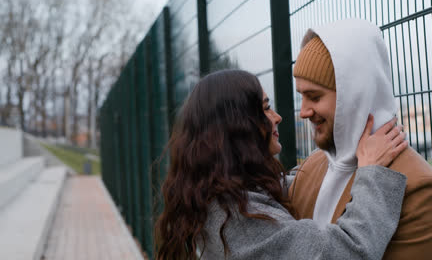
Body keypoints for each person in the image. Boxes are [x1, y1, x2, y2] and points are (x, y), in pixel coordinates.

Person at [154, 69, 408, 260]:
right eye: (265, 109)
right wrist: (372, 172)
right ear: (237, 126)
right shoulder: (239, 220)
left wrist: (334, 159)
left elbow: (287, 185)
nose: (277, 117)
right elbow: (348, 253)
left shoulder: (221, 196)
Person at [289, 19, 432, 259]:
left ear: (355, 95)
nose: (303, 111)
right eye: (301, 96)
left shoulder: (417, 186)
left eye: (314, 96)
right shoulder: (310, 169)